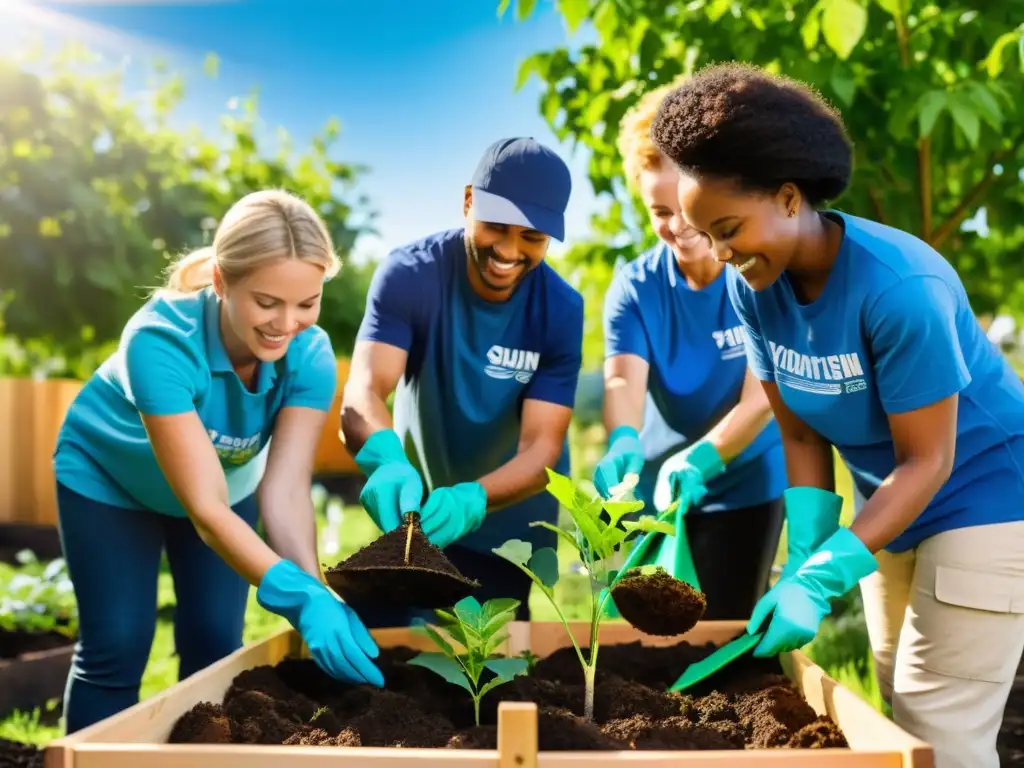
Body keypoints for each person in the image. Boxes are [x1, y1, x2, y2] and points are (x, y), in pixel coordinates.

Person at [650, 61, 1024, 768]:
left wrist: (822, 577)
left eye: (728, 228)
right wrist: (806, 554)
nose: (724, 255)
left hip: (986, 500)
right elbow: (798, 427)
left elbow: (931, 459)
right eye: (710, 237)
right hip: (896, 504)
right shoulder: (754, 289)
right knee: (894, 697)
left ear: (789, 197)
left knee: (938, 724)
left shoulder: (899, 289)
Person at [52, 190, 383, 733]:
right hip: (109, 482)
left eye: (308, 302)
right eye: (268, 301)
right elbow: (204, 510)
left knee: (214, 644)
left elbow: (285, 490)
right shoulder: (159, 342)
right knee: (117, 642)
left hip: (230, 485)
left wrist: (313, 590)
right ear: (222, 283)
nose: (288, 323)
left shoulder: (310, 354)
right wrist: (293, 594)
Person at [340, 137, 583, 627]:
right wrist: (387, 462)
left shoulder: (560, 309)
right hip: (416, 521)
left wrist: (473, 499)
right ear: (469, 200)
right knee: (382, 669)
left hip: (508, 531)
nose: (509, 251)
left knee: (485, 680)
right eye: (496, 226)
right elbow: (366, 390)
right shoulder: (410, 276)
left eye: (532, 237)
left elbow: (541, 448)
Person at [592, 81, 788, 619]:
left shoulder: (754, 275)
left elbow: (761, 397)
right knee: (638, 645)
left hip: (745, 483)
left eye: (682, 204)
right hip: (655, 492)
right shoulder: (636, 288)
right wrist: (623, 439)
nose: (676, 225)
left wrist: (706, 455)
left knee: (723, 632)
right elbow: (622, 381)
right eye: (658, 211)